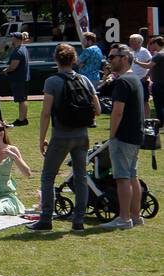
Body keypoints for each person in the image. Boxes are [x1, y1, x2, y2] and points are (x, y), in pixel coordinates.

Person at [33, 43, 95, 232]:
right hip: (82, 135)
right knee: (81, 177)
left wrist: (42, 138)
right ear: (74, 59)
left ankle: (46, 219)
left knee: (48, 176)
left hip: (60, 135)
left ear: (56, 59)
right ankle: (78, 221)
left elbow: (45, 113)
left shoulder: (52, 81)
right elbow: (97, 109)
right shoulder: (84, 79)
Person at [105, 44, 146, 229]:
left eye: (113, 56)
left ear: (124, 58)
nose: (109, 59)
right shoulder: (134, 78)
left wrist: (112, 135)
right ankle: (136, 216)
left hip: (123, 136)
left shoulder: (122, 81)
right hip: (135, 135)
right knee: (132, 175)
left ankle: (124, 218)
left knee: (122, 178)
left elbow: (117, 112)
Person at [4, 32, 32, 125]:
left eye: (12, 37)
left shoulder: (18, 51)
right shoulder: (23, 48)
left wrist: (6, 70)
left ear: (16, 39)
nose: (11, 39)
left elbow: (13, 66)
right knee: (23, 99)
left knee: (21, 100)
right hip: (24, 78)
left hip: (19, 79)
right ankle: (23, 118)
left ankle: (21, 120)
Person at [149, 35, 164, 122]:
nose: (151, 45)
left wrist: (136, 61)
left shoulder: (158, 55)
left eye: (152, 43)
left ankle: (160, 123)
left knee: (158, 105)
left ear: (156, 44)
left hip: (158, 83)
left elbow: (148, 66)